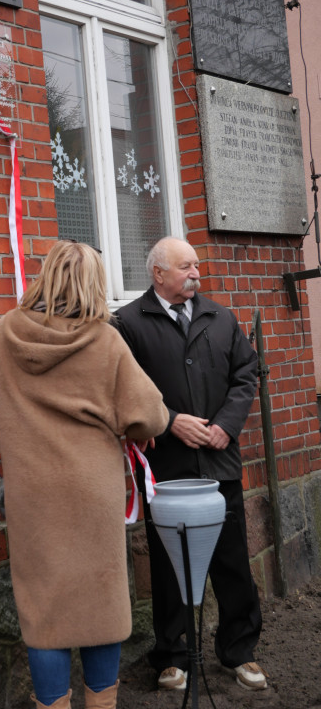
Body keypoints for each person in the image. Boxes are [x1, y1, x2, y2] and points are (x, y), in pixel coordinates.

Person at [0, 240, 169, 709]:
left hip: (32, 496)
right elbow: (151, 416)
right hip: (92, 494)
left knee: (45, 614)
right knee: (100, 605)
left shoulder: (4, 335)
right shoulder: (104, 340)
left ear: (45, 275)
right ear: (94, 283)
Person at [114, 236, 267, 692]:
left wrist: (226, 425)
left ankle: (239, 651)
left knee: (232, 560)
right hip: (168, 469)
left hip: (220, 463)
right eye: (185, 266)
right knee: (167, 565)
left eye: (197, 266)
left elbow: (245, 375)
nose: (196, 273)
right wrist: (170, 422)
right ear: (158, 273)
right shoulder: (128, 324)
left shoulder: (221, 318)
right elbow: (125, 391)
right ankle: (172, 655)